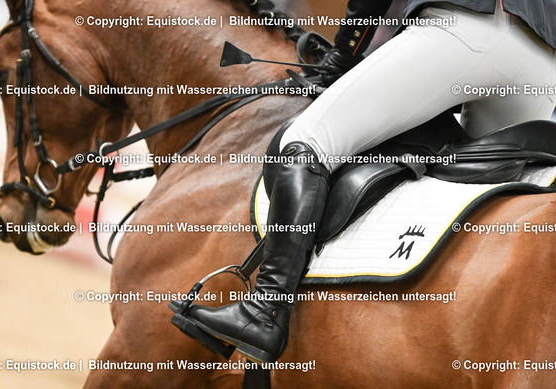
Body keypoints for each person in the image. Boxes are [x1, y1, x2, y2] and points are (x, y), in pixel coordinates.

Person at [177, 0, 556, 364]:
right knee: (481, 213)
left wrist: (345, 53)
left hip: (465, 28)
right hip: (543, 63)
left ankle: (265, 309)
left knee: (307, 142)